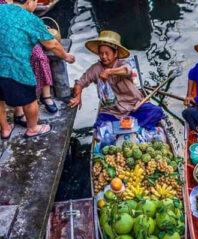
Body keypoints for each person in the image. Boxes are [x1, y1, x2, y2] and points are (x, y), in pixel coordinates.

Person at [0, 0, 75, 140]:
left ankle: (4, 129)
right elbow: (52, 44)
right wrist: (66, 56)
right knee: (29, 100)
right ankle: (33, 128)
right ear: (29, 2)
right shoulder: (31, 19)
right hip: (16, 69)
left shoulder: (1, 9)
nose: (35, 4)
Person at [68, 30, 164, 129]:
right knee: (99, 126)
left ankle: (128, 128)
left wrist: (109, 72)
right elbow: (80, 83)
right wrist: (78, 96)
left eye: (107, 53)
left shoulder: (123, 64)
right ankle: (133, 127)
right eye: (101, 53)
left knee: (157, 112)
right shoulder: (95, 69)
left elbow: (127, 70)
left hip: (134, 107)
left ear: (115, 53)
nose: (104, 57)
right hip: (112, 112)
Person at [0, 0, 57, 126]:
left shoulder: (24, 14)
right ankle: (23, 117)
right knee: (15, 65)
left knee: (39, 56)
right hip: (9, 43)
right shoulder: (5, 7)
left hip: (20, 34)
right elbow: (52, 44)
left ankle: (45, 95)